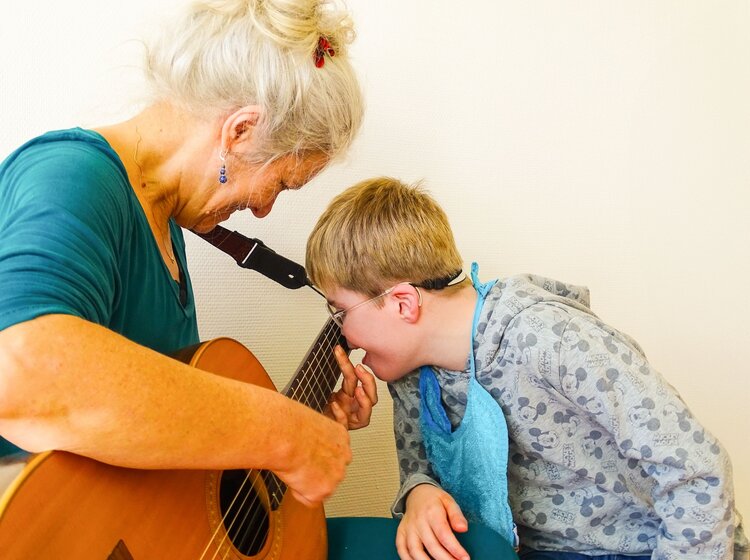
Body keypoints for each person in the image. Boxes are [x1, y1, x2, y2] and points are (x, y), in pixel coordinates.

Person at [0, 0, 381, 553]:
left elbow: (149, 443)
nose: (265, 209)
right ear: (240, 130)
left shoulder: (167, 222)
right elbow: (23, 373)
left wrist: (308, 431)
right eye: (279, 185)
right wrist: (284, 432)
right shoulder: (73, 177)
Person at [305, 176, 750, 560]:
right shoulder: (410, 371)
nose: (341, 334)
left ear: (403, 303)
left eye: (340, 312)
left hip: (643, 546)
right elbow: (420, 465)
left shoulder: (548, 337)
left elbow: (697, 471)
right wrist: (419, 492)